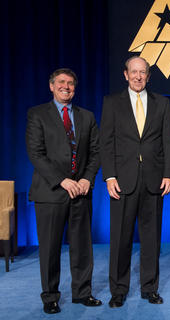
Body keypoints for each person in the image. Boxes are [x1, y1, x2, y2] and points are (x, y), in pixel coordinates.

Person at [100, 56, 170, 308]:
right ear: (125, 75)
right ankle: (118, 290)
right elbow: (106, 142)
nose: (138, 76)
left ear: (148, 75)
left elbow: (168, 141)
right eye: (134, 72)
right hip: (122, 181)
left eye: (142, 72)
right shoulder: (112, 103)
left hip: (154, 180)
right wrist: (109, 176)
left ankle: (149, 288)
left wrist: (169, 174)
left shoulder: (162, 103)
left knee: (151, 238)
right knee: (120, 238)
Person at [25, 68, 102, 314]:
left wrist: (88, 179)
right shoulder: (37, 114)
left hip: (81, 192)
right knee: (49, 249)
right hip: (50, 192)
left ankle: (82, 293)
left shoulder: (87, 117)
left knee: (82, 248)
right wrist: (62, 181)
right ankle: (50, 297)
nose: (65, 86)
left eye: (70, 83)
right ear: (51, 86)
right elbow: (36, 154)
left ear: (75, 88)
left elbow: (96, 152)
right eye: (61, 82)